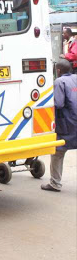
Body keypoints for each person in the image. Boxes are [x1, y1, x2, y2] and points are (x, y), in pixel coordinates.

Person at [41, 59, 77, 192]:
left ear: (58, 71)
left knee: (58, 152)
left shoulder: (59, 81)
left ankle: (55, 183)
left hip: (68, 123)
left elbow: (59, 103)